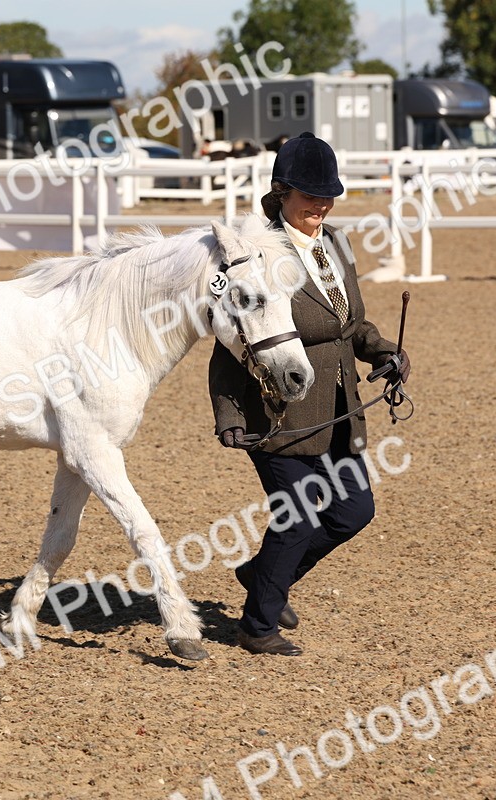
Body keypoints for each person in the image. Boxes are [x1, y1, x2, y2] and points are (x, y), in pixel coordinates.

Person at [209, 132, 411, 656]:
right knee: (297, 518)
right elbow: (234, 339)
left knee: (353, 512)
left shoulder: (336, 244)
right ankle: (257, 626)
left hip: (340, 407)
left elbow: (352, 324)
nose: (320, 207)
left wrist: (384, 352)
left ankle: (261, 576)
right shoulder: (256, 254)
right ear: (281, 195)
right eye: (309, 198)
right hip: (277, 410)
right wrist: (227, 411)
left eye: (328, 197)